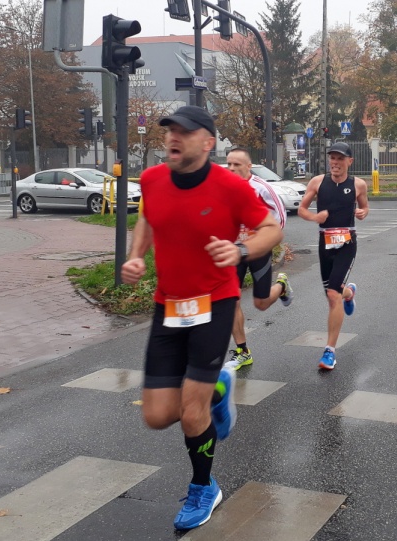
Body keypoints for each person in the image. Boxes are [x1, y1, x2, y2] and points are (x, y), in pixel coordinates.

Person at [121, 106, 282, 531]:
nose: (173, 137)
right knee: (156, 416)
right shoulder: (154, 179)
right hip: (168, 306)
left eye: (184, 132)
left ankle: (203, 486)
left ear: (208, 142)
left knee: (191, 415)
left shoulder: (229, 186)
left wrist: (243, 251)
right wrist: (136, 256)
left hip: (215, 303)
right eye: (170, 130)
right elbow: (145, 218)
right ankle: (217, 391)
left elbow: (269, 228)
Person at [297, 142, 369, 370]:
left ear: (350, 161)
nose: (335, 163)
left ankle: (329, 350)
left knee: (331, 294)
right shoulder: (317, 182)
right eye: (332, 158)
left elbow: (365, 208)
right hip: (324, 242)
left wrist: (362, 212)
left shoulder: (358, 184)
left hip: (347, 241)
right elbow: (301, 209)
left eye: (340, 159)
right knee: (334, 294)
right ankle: (349, 293)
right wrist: (313, 218)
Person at [224, 147, 293, 371]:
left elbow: (280, 218)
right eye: (229, 164)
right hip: (233, 251)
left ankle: (281, 286)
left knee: (261, 303)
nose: (232, 169)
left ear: (249, 166)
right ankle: (243, 351)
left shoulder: (261, 188)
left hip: (258, 250)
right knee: (230, 301)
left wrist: (266, 242)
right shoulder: (224, 188)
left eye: (237, 165)